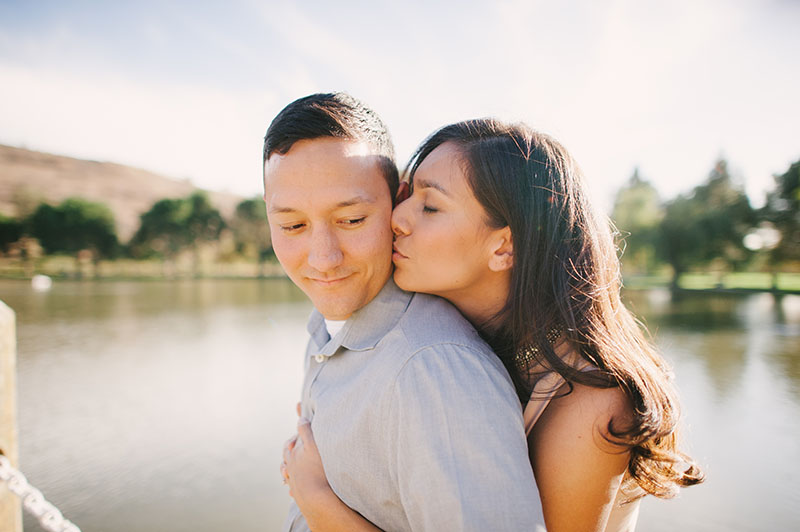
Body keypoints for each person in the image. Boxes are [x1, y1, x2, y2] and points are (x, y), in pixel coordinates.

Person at [283, 118, 705, 531]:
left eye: (429, 206)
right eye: (408, 195)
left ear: (503, 246)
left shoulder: (590, 405)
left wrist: (318, 500)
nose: (397, 218)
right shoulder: (439, 336)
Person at [264, 95, 546, 532]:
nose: (323, 259)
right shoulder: (327, 323)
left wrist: (318, 503)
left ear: (396, 203)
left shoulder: (434, 368)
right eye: (292, 226)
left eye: (352, 220)